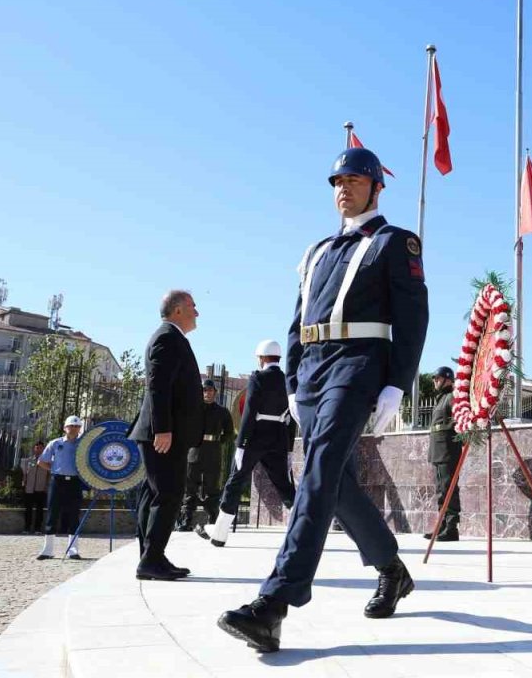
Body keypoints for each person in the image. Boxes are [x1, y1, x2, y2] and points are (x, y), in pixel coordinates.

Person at [217, 146, 429, 653]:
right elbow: (297, 319)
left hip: (359, 363)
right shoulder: (316, 251)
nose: (344, 188)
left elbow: (413, 318)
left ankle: (274, 604)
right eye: (338, 180)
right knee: (329, 479)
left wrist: (397, 383)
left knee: (319, 470)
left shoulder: (395, 243)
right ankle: (391, 569)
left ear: (377, 187)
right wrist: (291, 381)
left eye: (355, 179)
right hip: (311, 371)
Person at [131, 290, 203, 581]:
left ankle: (151, 556)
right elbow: (157, 387)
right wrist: (163, 429)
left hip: (166, 432)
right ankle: (151, 559)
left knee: (155, 494)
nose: (197, 313)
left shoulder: (172, 338)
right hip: (163, 434)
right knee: (168, 494)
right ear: (177, 311)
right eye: (193, 307)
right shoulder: (167, 338)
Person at [197, 340, 297, 547]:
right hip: (278, 435)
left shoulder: (258, 378)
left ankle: (220, 532)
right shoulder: (288, 380)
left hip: (255, 435)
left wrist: (241, 443)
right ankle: (304, 530)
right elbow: (292, 416)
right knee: (284, 485)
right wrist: (288, 448)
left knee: (236, 480)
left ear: (261, 358)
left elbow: (250, 411)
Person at [178, 379, 235, 531]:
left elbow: (229, 432)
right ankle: (186, 521)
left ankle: (213, 520)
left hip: (213, 452)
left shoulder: (222, 412)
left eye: (210, 390)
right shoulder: (194, 410)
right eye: (204, 390)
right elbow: (185, 427)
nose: (207, 393)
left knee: (212, 489)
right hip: (194, 452)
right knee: (190, 489)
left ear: (215, 393)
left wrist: (218, 442)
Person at [36, 417, 84, 560]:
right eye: (71, 425)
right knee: (52, 513)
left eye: (76, 426)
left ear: (79, 428)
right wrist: (55, 469)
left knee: (74, 514)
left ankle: (73, 550)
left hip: (75, 481)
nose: (73, 428)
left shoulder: (82, 444)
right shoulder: (55, 443)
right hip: (57, 481)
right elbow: (41, 461)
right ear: (65, 428)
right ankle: (48, 550)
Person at [424, 366, 460, 541]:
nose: (435, 381)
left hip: (448, 450)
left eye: (438, 378)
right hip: (438, 450)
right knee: (441, 489)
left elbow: (459, 420)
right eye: (435, 379)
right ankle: (443, 525)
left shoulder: (452, 397)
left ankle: (452, 528)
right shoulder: (441, 399)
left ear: (448, 379)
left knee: (448, 488)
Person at [21, 441, 49, 534]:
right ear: (34, 448)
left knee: (39, 510)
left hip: (40, 489)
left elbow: (49, 475)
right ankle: (27, 528)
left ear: (43, 449)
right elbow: (25, 474)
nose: (39, 449)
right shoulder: (28, 461)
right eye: (37, 447)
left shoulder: (47, 461)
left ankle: (37, 529)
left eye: (41, 448)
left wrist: (46, 487)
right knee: (28, 509)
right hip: (29, 488)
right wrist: (24, 485)